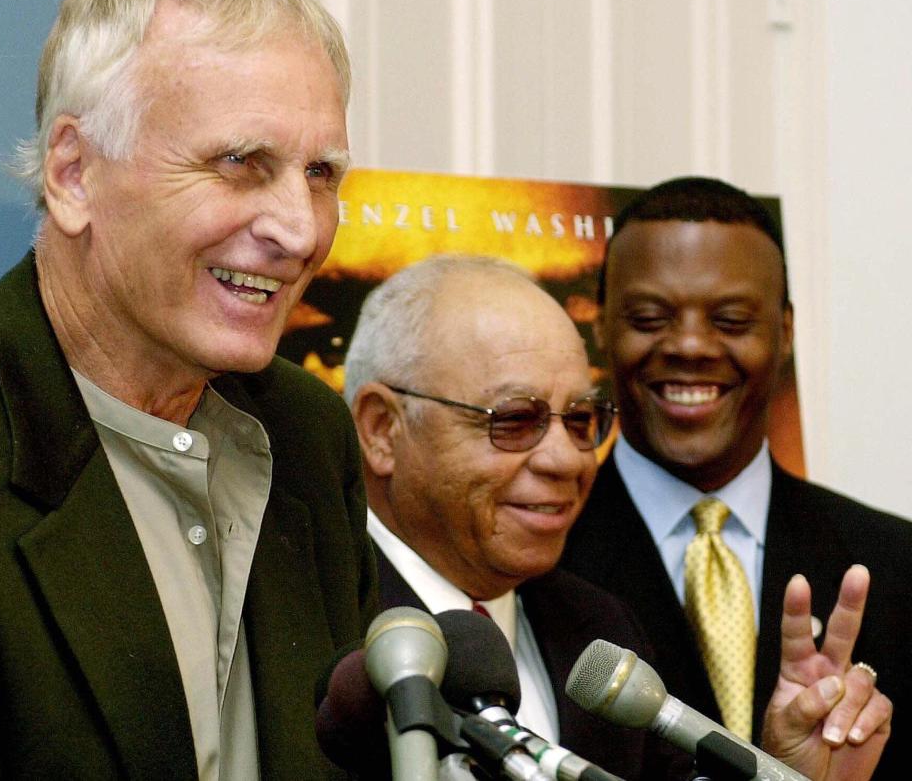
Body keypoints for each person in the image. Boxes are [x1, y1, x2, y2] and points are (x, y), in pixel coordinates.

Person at [0, 0, 376, 779]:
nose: (300, 230)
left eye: (321, 173)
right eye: (239, 164)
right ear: (74, 174)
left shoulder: (306, 434)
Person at [343, 253, 891, 780]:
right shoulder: (309, 620)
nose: (566, 459)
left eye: (581, 420)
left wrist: (784, 773)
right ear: (381, 430)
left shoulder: (599, 632)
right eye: (512, 420)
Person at [561, 176, 907, 778]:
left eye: (730, 319)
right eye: (648, 317)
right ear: (600, 327)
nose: (690, 345)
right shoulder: (536, 561)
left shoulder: (897, 566)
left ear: (786, 331)